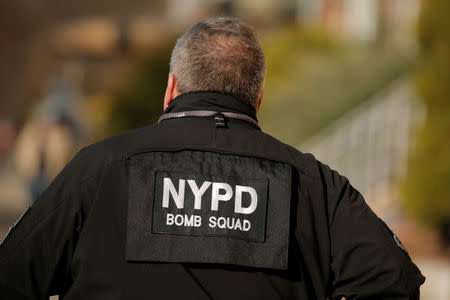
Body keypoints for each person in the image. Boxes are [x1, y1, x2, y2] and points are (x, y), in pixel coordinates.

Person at [0, 17, 424, 299]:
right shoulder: (314, 184)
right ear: (257, 99)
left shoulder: (98, 168)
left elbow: (13, 276)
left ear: (171, 89)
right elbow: (394, 283)